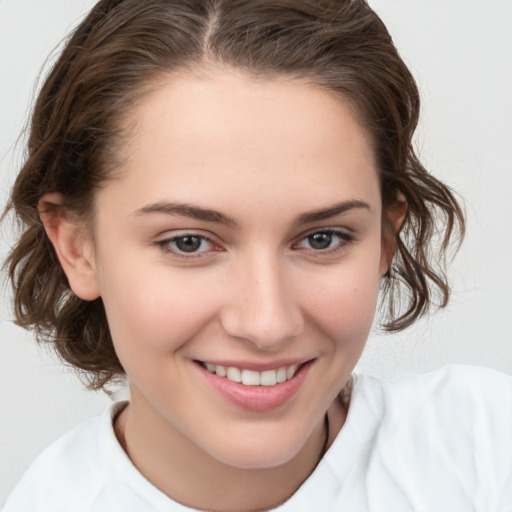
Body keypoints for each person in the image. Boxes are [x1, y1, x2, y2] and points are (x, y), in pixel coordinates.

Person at [2, 0, 511, 510]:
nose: (267, 324)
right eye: (189, 242)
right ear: (77, 247)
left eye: (322, 238)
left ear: (384, 238)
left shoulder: (488, 449)